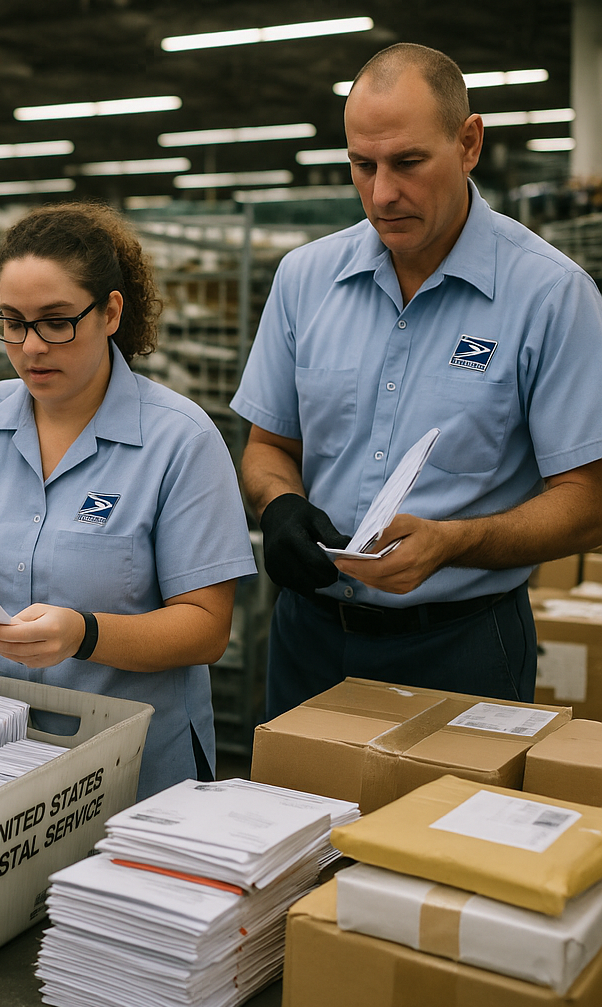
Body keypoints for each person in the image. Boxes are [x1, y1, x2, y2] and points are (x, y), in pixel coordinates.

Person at [231, 42, 602, 718]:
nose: (382, 193)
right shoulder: (304, 279)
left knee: (435, 828)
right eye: (361, 166)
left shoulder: (551, 297)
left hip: (463, 650)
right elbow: (267, 447)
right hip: (308, 642)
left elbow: (588, 499)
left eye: (407, 163)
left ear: (468, 143)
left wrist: (457, 542)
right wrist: (278, 505)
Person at [0, 202, 257, 798]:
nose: (31, 347)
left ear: (111, 312)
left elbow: (206, 628)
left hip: (132, 768)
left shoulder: (180, 441)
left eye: (57, 321)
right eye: (12, 321)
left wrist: (84, 634)